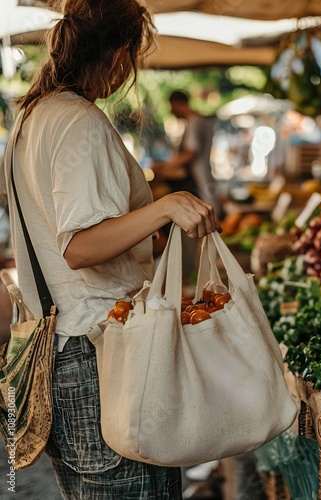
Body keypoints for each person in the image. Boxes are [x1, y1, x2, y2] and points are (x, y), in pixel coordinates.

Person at [0, 0, 220, 498]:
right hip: (99, 356)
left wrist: (139, 229)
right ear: (121, 53)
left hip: (57, 352)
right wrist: (165, 208)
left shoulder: (31, 120)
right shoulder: (78, 121)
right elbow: (78, 246)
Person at [152, 90, 223, 218]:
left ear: (177, 103)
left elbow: (191, 153)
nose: (171, 111)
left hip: (198, 182)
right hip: (204, 178)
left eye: (171, 106)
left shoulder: (195, 122)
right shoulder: (201, 121)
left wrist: (165, 167)